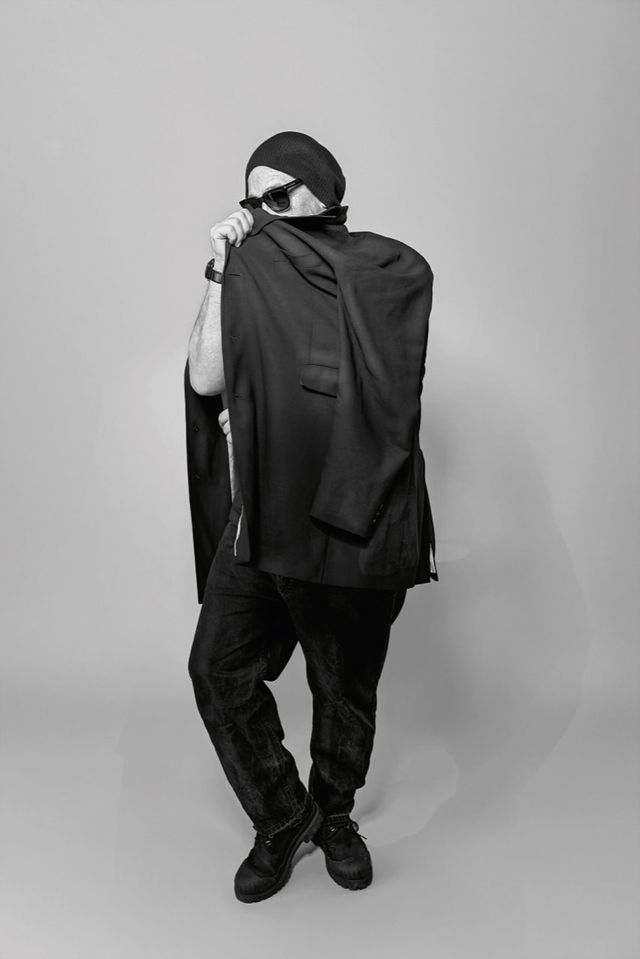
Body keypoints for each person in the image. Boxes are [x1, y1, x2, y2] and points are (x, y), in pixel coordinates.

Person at [185, 131, 438, 903]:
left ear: (323, 192)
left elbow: (384, 389)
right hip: (262, 515)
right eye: (253, 197)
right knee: (217, 669)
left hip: (347, 517)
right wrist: (222, 267)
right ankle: (282, 814)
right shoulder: (248, 269)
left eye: (280, 193)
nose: (264, 210)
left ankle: (335, 815)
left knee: (344, 685)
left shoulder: (378, 271)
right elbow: (206, 376)